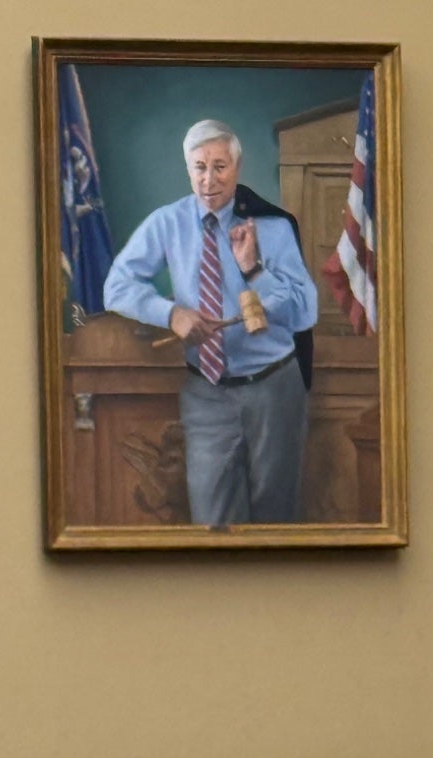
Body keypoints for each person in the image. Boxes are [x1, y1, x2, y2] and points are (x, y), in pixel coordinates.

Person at [103, 120, 319, 526]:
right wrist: (170, 313)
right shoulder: (168, 223)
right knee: (212, 520)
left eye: (220, 166)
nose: (209, 179)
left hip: (274, 388)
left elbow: (305, 311)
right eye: (199, 167)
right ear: (188, 169)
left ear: (237, 167)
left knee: (275, 518)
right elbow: (116, 287)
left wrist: (254, 270)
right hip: (207, 392)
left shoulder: (271, 226)